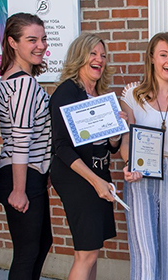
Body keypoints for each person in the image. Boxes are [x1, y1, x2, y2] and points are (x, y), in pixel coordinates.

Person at [120, 32, 168, 280]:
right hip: (141, 176)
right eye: (164, 54)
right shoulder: (132, 96)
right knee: (145, 256)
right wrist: (129, 163)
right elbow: (125, 145)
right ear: (152, 58)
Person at [49, 33, 120, 280]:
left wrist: (116, 131)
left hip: (99, 172)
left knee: (93, 250)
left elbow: (109, 146)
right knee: (85, 253)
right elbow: (62, 147)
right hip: (77, 177)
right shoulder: (66, 93)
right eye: (93, 53)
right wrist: (95, 181)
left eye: (102, 55)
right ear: (79, 56)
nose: (99, 59)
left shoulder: (99, 95)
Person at [0, 13, 52, 280]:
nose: (40, 45)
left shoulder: (12, 79)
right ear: (13, 43)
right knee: (28, 251)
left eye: (42, 39)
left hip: (29, 174)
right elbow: (20, 139)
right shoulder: (24, 83)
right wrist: (19, 189)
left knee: (40, 244)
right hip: (21, 175)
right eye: (31, 39)